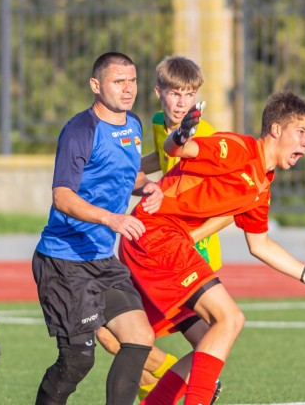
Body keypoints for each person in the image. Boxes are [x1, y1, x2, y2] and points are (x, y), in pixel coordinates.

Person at [118, 91, 305, 404]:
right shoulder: (235, 149)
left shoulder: (262, 184)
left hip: (162, 241)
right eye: (301, 133)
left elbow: (260, 244)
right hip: (156, 236)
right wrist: (182, 135)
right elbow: (176, 149)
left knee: (210, 338)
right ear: (276, 129)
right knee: (230, 319)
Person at [95, 56, 232, 402]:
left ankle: (189, 387)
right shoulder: (158, 124)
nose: (182, 102)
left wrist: (190, 236)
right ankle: (181, 383)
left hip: (189, 260)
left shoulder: (209, 138)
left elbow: (232, 209)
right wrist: (126, 173)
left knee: (204, 341)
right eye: (175, 94)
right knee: (109, 332)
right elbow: (164, 155)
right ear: (159, 92)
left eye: (189, 95)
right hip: (158, 256)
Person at [32, 52, 164, 405]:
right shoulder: (80, 130)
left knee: (138, 338)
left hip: (102, 260)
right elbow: (62, 196)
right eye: (118, 81)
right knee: (77, 360)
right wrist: (112, 219)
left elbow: (128, 172)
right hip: (64, 262)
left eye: (132, 80)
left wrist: (149, 186)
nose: (128, 88)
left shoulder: (132, 124)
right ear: (96, 85)